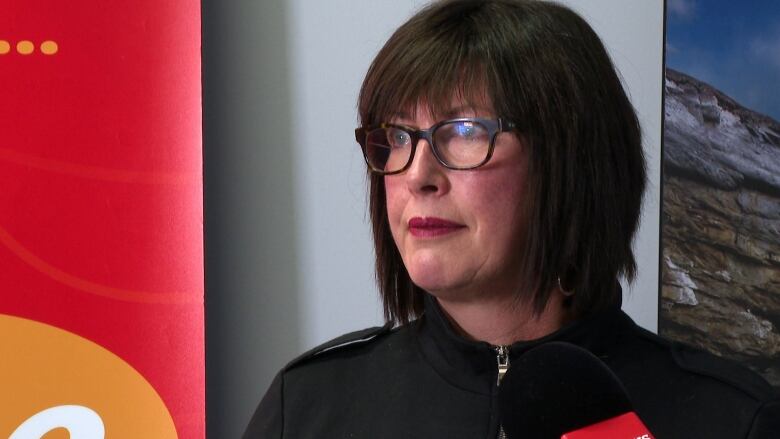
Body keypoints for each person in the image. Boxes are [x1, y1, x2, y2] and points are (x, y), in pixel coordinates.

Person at [244, 1, 780, 438]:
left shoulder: (734, 419)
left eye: (464, 131)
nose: (418, 175)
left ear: (572, 161)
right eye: (399, 137)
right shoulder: (309, 406)